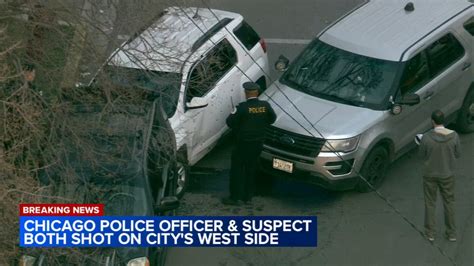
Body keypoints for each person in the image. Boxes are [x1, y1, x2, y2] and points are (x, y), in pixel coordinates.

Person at [222, 82, 276, 205]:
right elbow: (272, 119)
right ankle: (248, 197)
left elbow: (229, 122)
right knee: (251, 170)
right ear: (257, 93)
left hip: (242, 144)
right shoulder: (265, 105)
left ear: (246, 93)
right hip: (257, 143)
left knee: (237, 170)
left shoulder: (241, 107)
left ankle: (235, 197)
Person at [418, 110, 461, 242]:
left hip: (430, 174)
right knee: (449, 202)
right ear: (443, 120)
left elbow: (421, 156)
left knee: (430, 203)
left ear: (432, 121)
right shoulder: (454, 136)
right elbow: (457, 154)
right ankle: (451, 233)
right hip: (447, 174)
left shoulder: (426, 137)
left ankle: (430, 233)